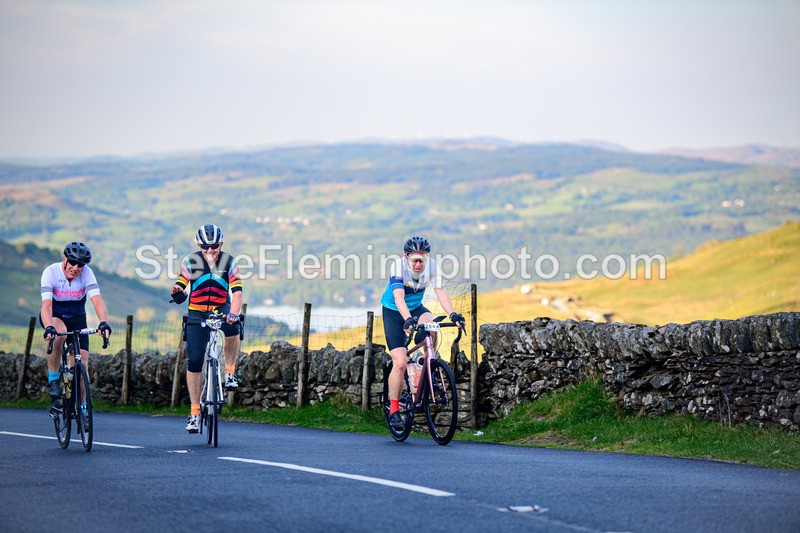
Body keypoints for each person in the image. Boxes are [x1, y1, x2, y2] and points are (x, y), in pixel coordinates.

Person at [380, 236, 465, 431]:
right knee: (400, 363)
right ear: (406, 257)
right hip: (394, 311)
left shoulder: (432, 266)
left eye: (422, 259)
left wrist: (453, 314)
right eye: (415, 260)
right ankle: (394, 410)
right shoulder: (398, 267)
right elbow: (399, 298)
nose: (419, 264)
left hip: (416, 308)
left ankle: (428, 368)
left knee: (432, 326)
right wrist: (408, 319)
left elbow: (440, 291)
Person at [171, 223, 243, 433]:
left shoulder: (230, 261)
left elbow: (237, 293)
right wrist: (177, 292)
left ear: (221, 243)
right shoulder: (190, 261)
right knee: (194, 361)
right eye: (205, 247)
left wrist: (233, 314)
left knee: (233, 327)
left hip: (222, 307)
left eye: (214, 246)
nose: (210, 250)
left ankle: (229, 372)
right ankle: (195, 413)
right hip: (196, 311)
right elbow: (181, 287)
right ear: (199, 245)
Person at [41, 242, 112, 408]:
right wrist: (49, 326)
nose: (76, 267)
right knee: (61, 333)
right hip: (54, 316)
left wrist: (103, 322)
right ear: (64, 259)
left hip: (77, 318)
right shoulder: (51, 272)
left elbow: (96, 300)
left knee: (82, 364)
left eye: (80, 264)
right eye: (72, 262)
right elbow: (46, 305)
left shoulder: (87, 273)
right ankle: (53, 379)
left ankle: (83, 407)